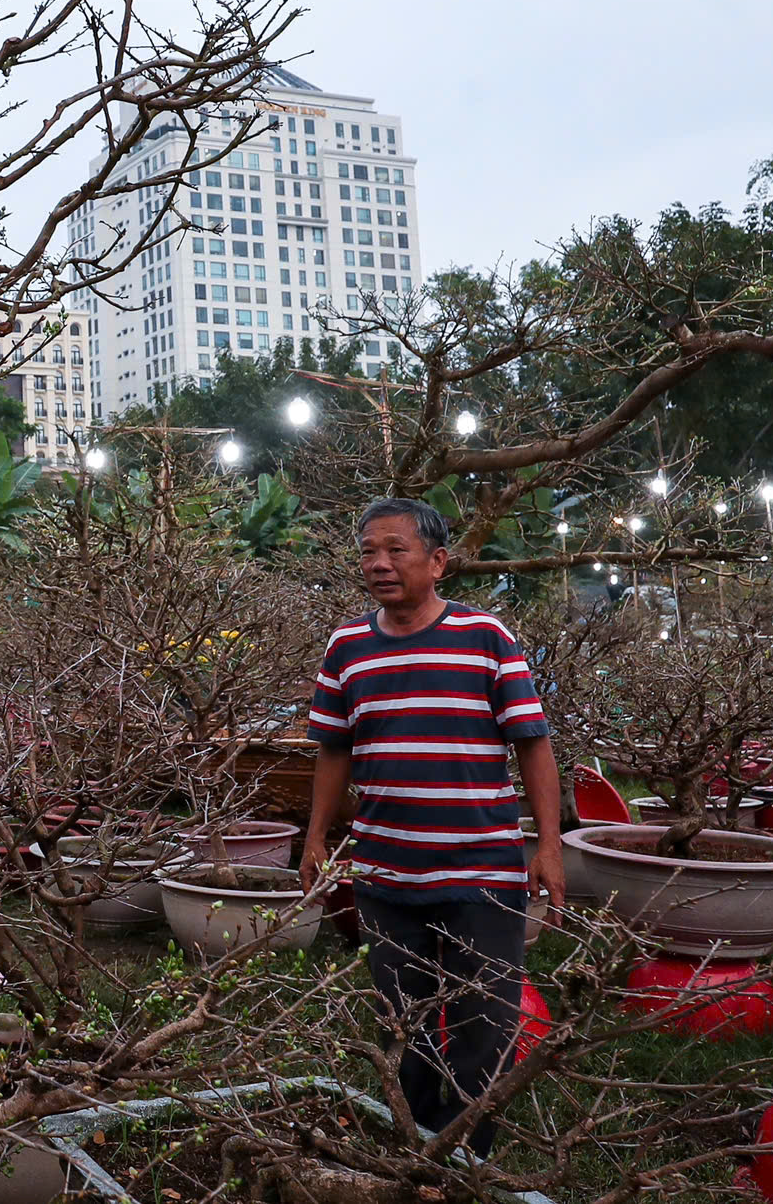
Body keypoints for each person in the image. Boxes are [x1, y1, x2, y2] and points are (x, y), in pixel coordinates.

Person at [299, 496, 565, 1160]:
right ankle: (413, 1140)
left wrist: (549, 845)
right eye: (368, 551)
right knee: (401, 1019)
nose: (380, 564)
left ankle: (471, 1150)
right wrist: (315, 837)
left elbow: (532, 744)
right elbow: (333, 750)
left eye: (396, 550)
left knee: (485, 1021)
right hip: (387, 874)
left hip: (482, 870)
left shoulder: (486, 639)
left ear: (438, 561)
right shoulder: (347, 647)